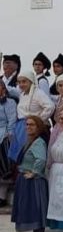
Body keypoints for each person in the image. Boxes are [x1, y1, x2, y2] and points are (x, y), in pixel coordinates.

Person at [11, 116, 48, 232]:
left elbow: (42, 159)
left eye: (32, 125)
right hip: (26, 181)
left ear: (38, 127)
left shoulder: (38, 142)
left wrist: (34, 172)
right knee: (33, 212)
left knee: (37, 213)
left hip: (34, 182)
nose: (28, 127)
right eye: (27, 125)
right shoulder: (30, 141)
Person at [8, 71, 54, 165]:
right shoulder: (23, 94)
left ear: (31, 81)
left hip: (32, 127)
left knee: (29, 153)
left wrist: (38, 120)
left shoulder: (38, 93)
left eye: (24, 81)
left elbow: (50, 106)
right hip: (21, 127)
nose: (21, 84)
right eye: (19, 82)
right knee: (19, 154)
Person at [0, 79, 17, 207]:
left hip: (4, 134)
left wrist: (9, 136)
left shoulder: (10, 102)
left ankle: (2, 196)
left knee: (4, 166)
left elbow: (11, 120)